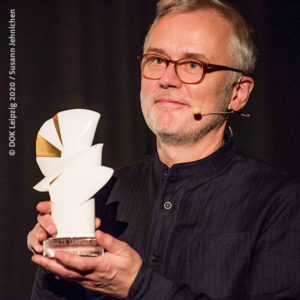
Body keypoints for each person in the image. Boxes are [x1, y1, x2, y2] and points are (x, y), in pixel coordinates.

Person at [27, 0, 300, 299]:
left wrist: (137, 286)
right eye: (157, 60)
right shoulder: (103, 193)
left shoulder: (282, 204)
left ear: (237, 93)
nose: (167, 80)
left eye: (193, 65)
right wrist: (57, 264)